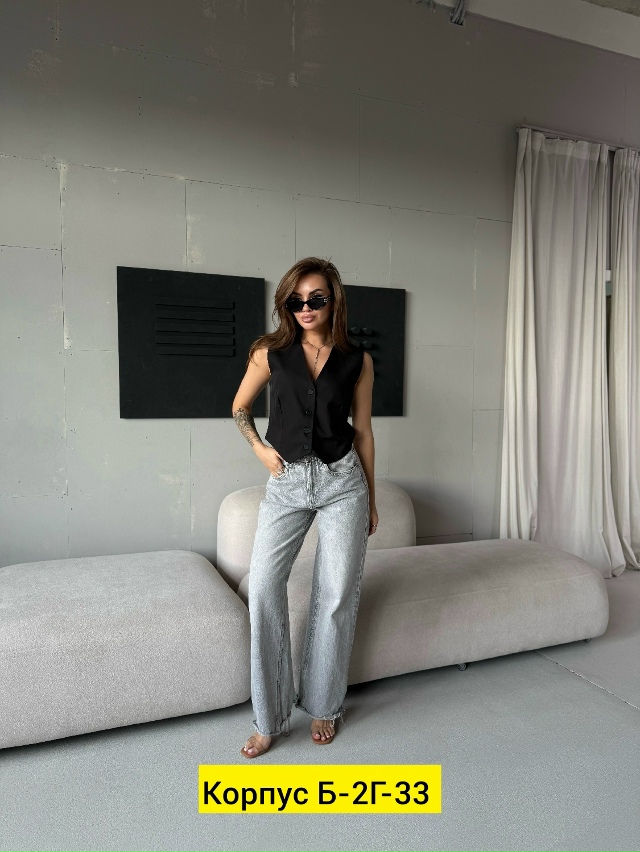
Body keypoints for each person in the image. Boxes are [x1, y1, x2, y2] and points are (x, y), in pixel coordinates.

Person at [232, 256, 378, 758]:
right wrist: (259, 448)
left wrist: (371, 498)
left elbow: (364, 432)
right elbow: (240, 407)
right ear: (286, 304)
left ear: (334, 301)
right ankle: (269, 716)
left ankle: (323, 704)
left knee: (336, 594)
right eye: (295, 301)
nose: (305, 308)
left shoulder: (358, 360)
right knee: (264, 586)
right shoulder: (269, 352)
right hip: (287, 482)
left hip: (344, 483)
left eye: (316, 299)